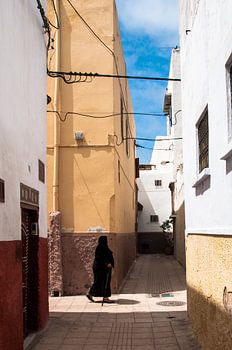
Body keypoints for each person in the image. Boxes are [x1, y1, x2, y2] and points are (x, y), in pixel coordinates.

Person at [86, 235, 114, 303]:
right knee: (102, 282)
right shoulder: (100, 248)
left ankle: (91, 293)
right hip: (100, 268)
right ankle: (105, 297)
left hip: (102, 268)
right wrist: (107, 263)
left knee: (100, 282)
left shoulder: (103, 247)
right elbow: (100, 258)